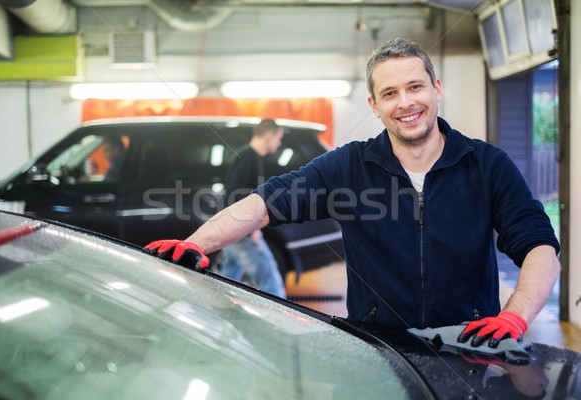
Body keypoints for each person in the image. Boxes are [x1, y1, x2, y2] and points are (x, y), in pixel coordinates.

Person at [144, 38, 560, 349]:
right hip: (377, 345)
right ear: (374, 105)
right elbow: (265, 203)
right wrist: (196, 242)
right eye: (390, 93)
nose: (406, 103)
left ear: (436, 87)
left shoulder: (488, 165)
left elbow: (538, 244)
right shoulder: (348, 166)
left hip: (470, 342)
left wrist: (516, 316)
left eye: (415, 87)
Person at [218, 118, 287, 298]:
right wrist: (252, 228)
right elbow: (236, 196)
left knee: (227, 278)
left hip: (233, 231)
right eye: (278, 138)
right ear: (269, 136)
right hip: (241, 231)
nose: (279, 144)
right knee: (270, 280)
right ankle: (278, 320)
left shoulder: (251, 157)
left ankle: (218, 313)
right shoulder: (247, 159)